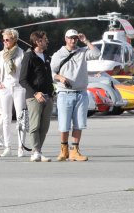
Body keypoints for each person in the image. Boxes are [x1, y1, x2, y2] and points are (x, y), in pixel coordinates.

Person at [50, 29, 91, 161]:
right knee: (64, 124)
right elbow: (51, 72)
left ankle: (75, 150)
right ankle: (64, 149)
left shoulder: (83, 52)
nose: (73, 40)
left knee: (79, 124)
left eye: (75, 38)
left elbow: (97, 53)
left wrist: (86, 41)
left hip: (81, 93)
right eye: (70, 38)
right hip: (65, 93)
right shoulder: (58, 54)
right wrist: (60, 78)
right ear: (65, 39)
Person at [18, 30, 54, 161]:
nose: (47, 41)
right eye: (45, 39)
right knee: (34, 126)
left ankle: (38, 151)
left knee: (44, 127)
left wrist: (52, 93)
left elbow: (48, 77)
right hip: (34, 97)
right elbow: (22, 80)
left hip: (48, 96)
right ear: (38, 42)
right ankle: (35, 152)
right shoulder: (29, 56)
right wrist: (35, 93)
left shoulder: (47, 56)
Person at [0, 29, 28, 157]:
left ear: (14, 39)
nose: (5, 42)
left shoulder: (21, 53)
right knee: (6, 117)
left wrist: (24, 84)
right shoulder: (1, 54)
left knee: (21, 117)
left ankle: (21, 147)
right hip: (5, 87)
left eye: (7, 39)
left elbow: (25, 71)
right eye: (4, 40)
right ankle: (7, 147)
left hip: (19, 87)